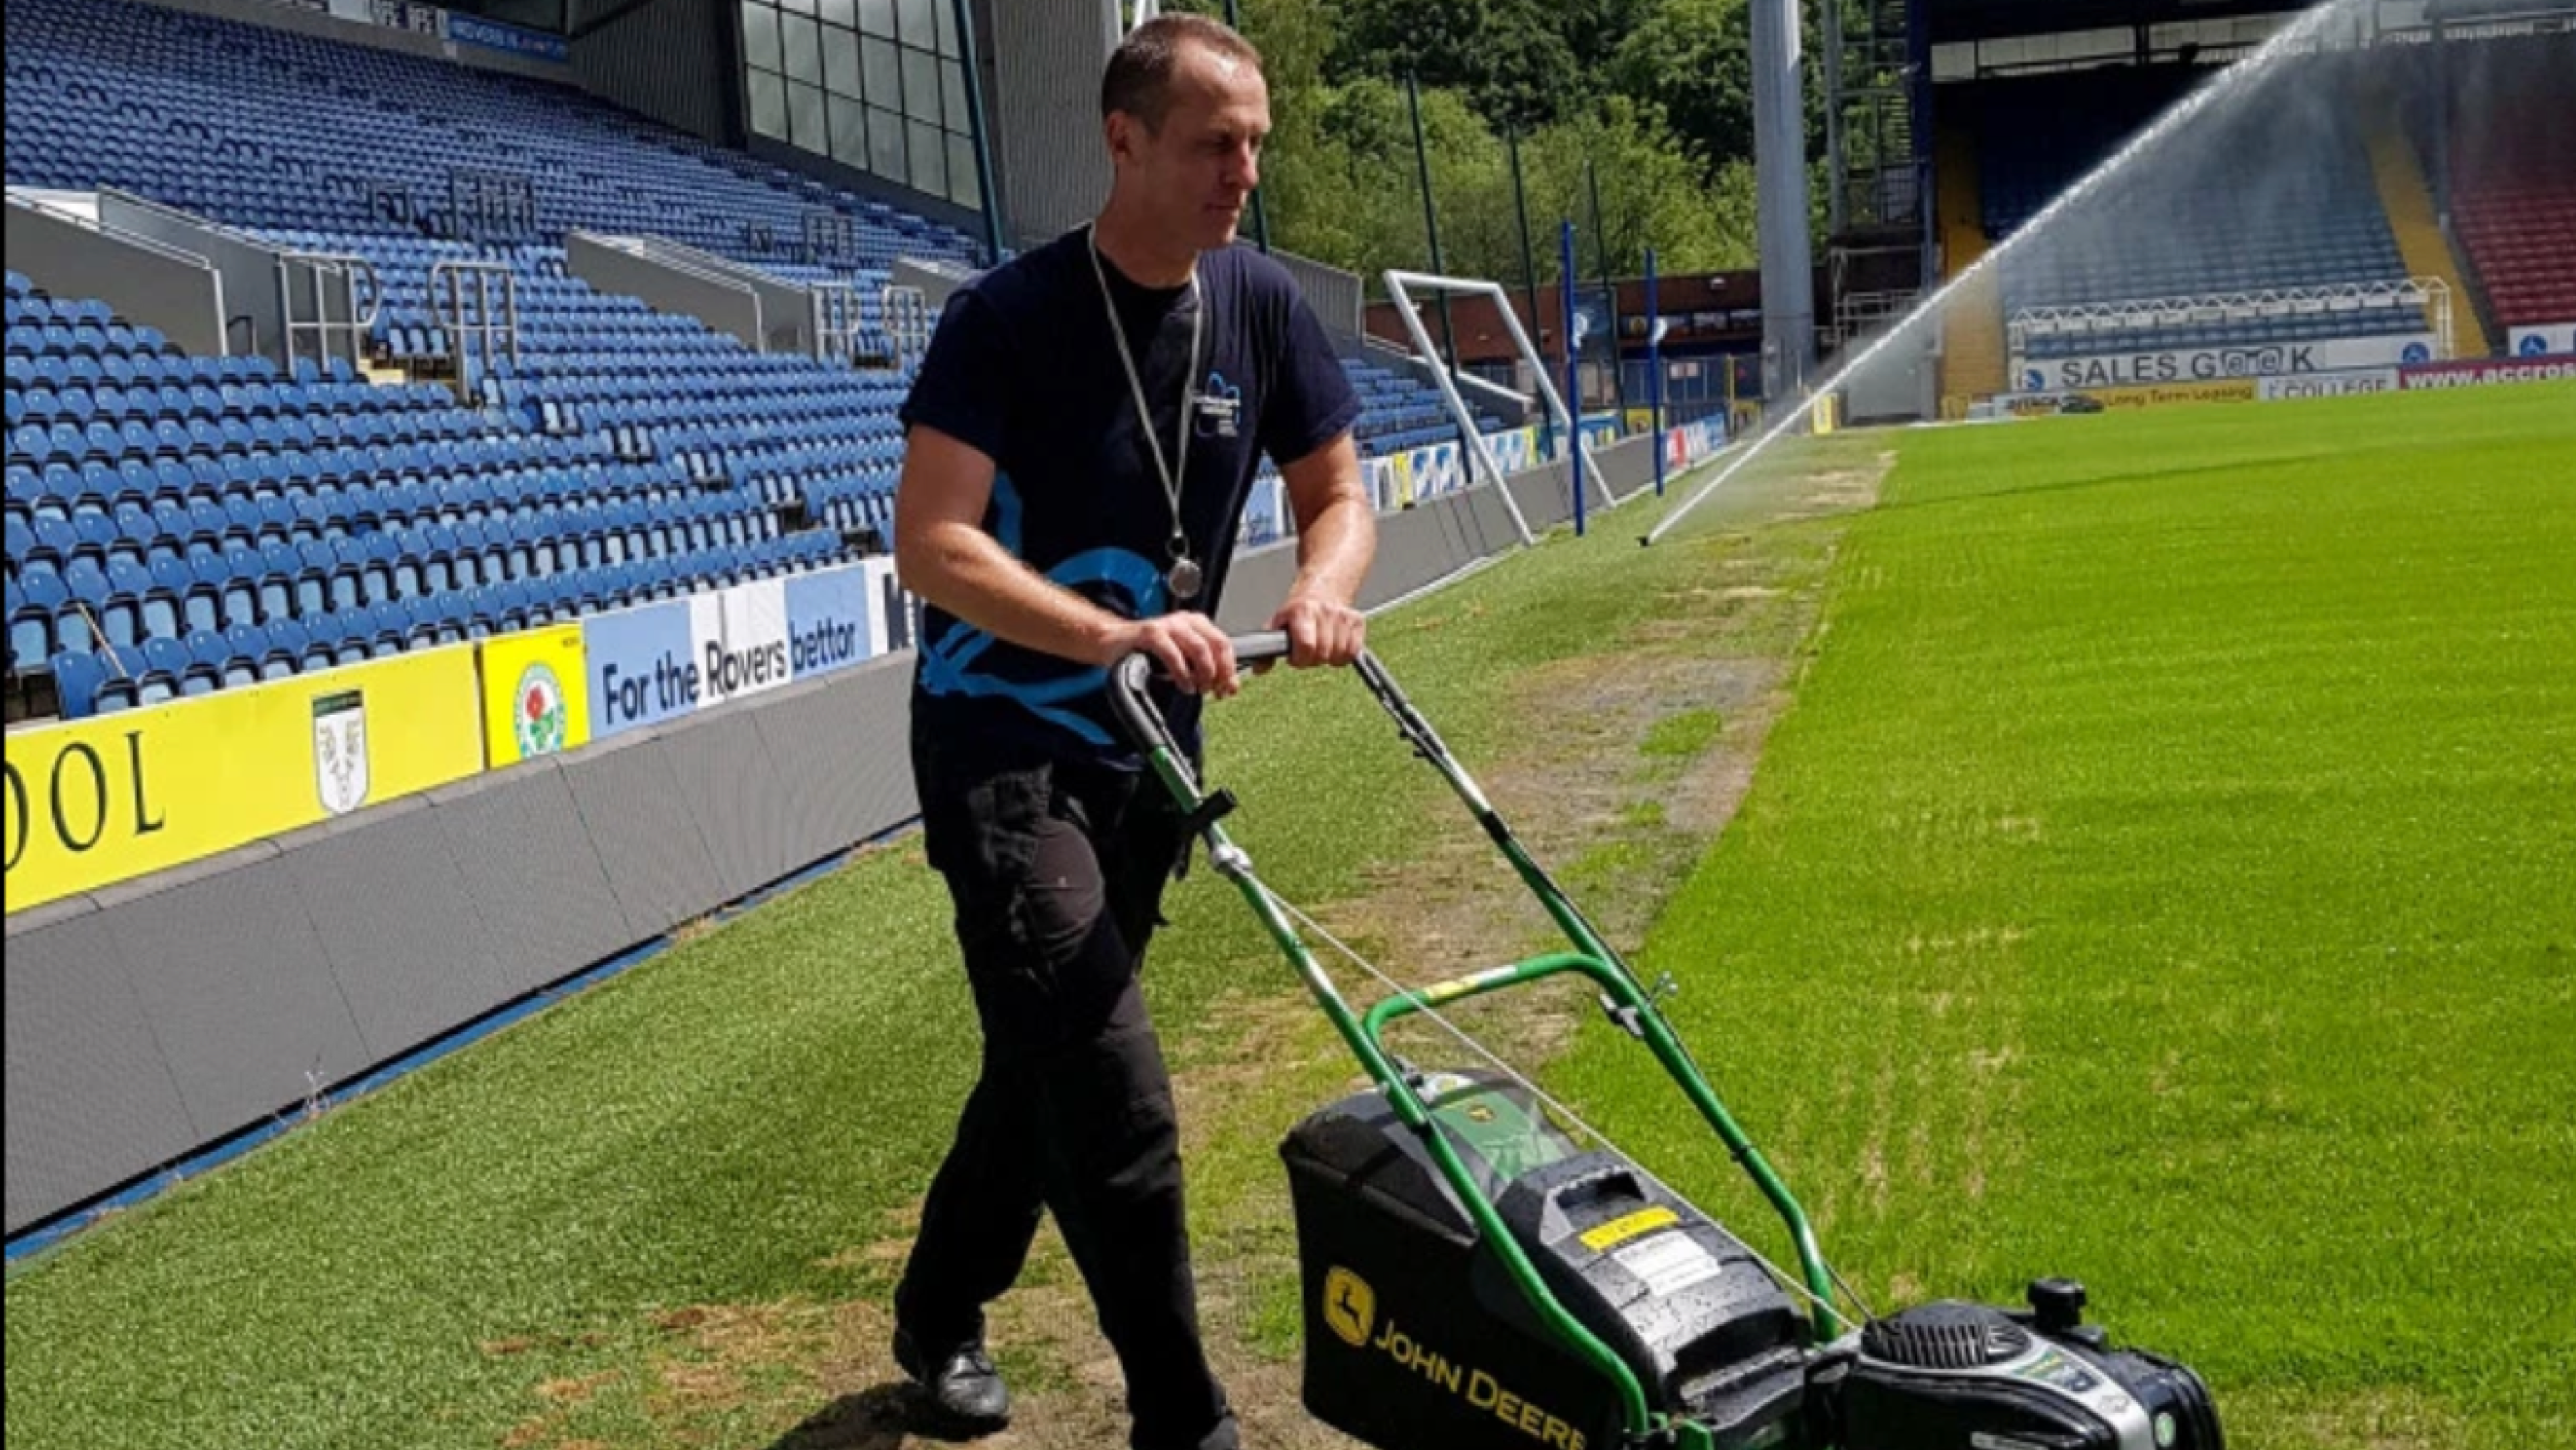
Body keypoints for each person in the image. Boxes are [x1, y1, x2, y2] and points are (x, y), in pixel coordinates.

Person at [887, 14, 1375, 1449]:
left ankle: (935, 1310)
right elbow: (931, 544)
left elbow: (1334, 495)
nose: (1243, 172)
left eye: (1255, 146)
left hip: (1150, 758)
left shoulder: (1262, 307)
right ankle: (1186, 1420)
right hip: (1000, 748)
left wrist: (1324, 587)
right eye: (1216, 143)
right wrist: (1112, 636)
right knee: (1108, 1086)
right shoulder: (1007, 319)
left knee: (1043, 1060)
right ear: (1124, 140)